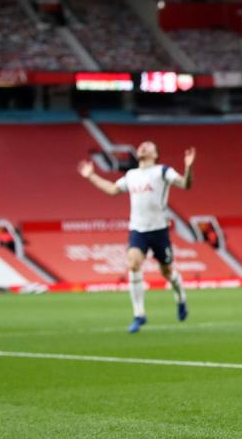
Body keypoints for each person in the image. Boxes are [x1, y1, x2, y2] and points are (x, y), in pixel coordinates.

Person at [78, 142, 195, 333]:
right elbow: (112, 189)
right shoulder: (131, 175)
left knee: (167, 272)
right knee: (133, 264)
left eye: (148, 146)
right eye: (141, 146)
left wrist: (189, 168)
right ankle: (139, 314)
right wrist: (91, 176)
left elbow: (185, 184)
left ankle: (180, 297)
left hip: (159, 230)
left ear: (155, 154)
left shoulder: (162, 171)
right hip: (138, 230)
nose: (142, 148)